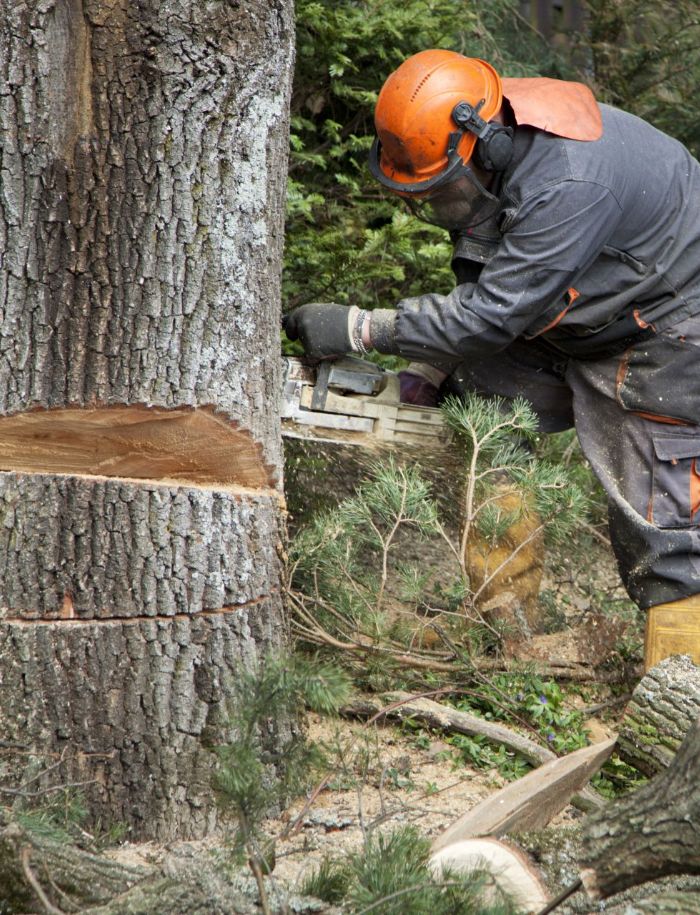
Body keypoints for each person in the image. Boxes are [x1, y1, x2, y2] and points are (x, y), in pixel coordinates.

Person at [283, 49, 700, 670]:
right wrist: (434, 364)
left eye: (443, 188)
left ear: (488, 146)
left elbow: (492, 313)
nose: (440, 204)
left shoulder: (569, 184)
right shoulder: (484, 136)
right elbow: (486, 278)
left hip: (666, 325)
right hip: (579, 302)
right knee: (488, 417)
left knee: (660, 520)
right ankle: (507, 629)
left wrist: (365, 328)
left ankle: (680, 689)